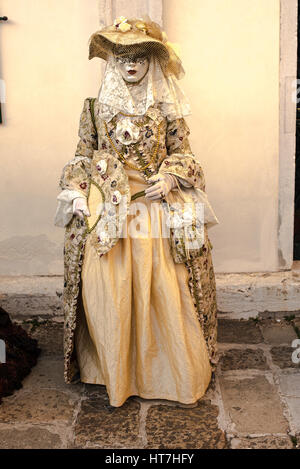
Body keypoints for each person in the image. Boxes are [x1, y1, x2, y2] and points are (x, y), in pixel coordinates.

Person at [54, 16, 219, 407]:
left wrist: (172, 178)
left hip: (153, 204)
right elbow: (84, 154)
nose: (131, 63)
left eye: (141, 55)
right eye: (123, 55)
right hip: (108, 208)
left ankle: (165, 371)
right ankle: (113, 370)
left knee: (163, 283)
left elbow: (184, 155)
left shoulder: (166, 109)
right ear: (112, 61)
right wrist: (77, 192)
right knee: (105, 287)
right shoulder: (94, 109)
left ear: (152, 61)